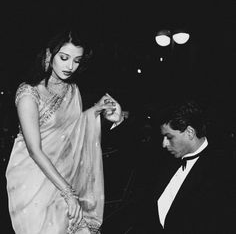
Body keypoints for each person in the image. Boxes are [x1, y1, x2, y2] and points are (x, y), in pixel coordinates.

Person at [5, 30, 125, 234]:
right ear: (49, 55)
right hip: (33, 179)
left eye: (77, 60)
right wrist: (68, 193)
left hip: (66, 174)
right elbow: (34, 150)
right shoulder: (28, 93)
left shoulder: (72, 90)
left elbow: (73, 131)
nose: (70, 66)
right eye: (64, 58)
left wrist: (96, 110)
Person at [132, 99, 236, 233]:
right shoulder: (166, 159)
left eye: (169, 137)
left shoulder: (223, 171)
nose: (164, 144)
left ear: (190, 132)